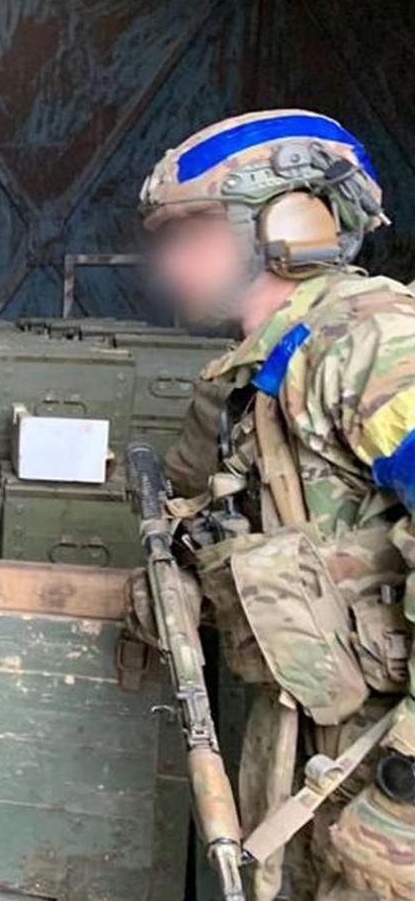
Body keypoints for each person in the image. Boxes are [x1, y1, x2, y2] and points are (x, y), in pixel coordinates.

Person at [143, 108, 415, 900]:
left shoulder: (375, 347)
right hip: (306, 752)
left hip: (384, 777)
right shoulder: (248, 379)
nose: (168, 263)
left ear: (289, 223)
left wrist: (401, 799)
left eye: (189, 232)